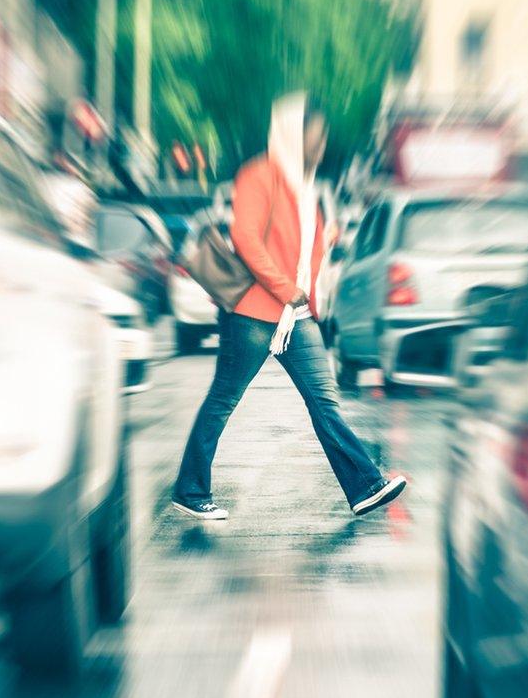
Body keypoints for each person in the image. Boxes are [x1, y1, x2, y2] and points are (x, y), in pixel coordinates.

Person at [170, 94, 406, 521]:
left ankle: (366, 486)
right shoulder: (259, 175)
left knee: (325, 402)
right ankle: (190, 490)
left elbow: (305, 249)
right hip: (254, 312)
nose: (320, 146)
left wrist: (309, 293)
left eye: (322, 139)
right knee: (223, 399)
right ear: (291, 136)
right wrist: (284, 287)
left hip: (295, 316)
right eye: (314, 138)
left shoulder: (304, 185)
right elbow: (245, 237)